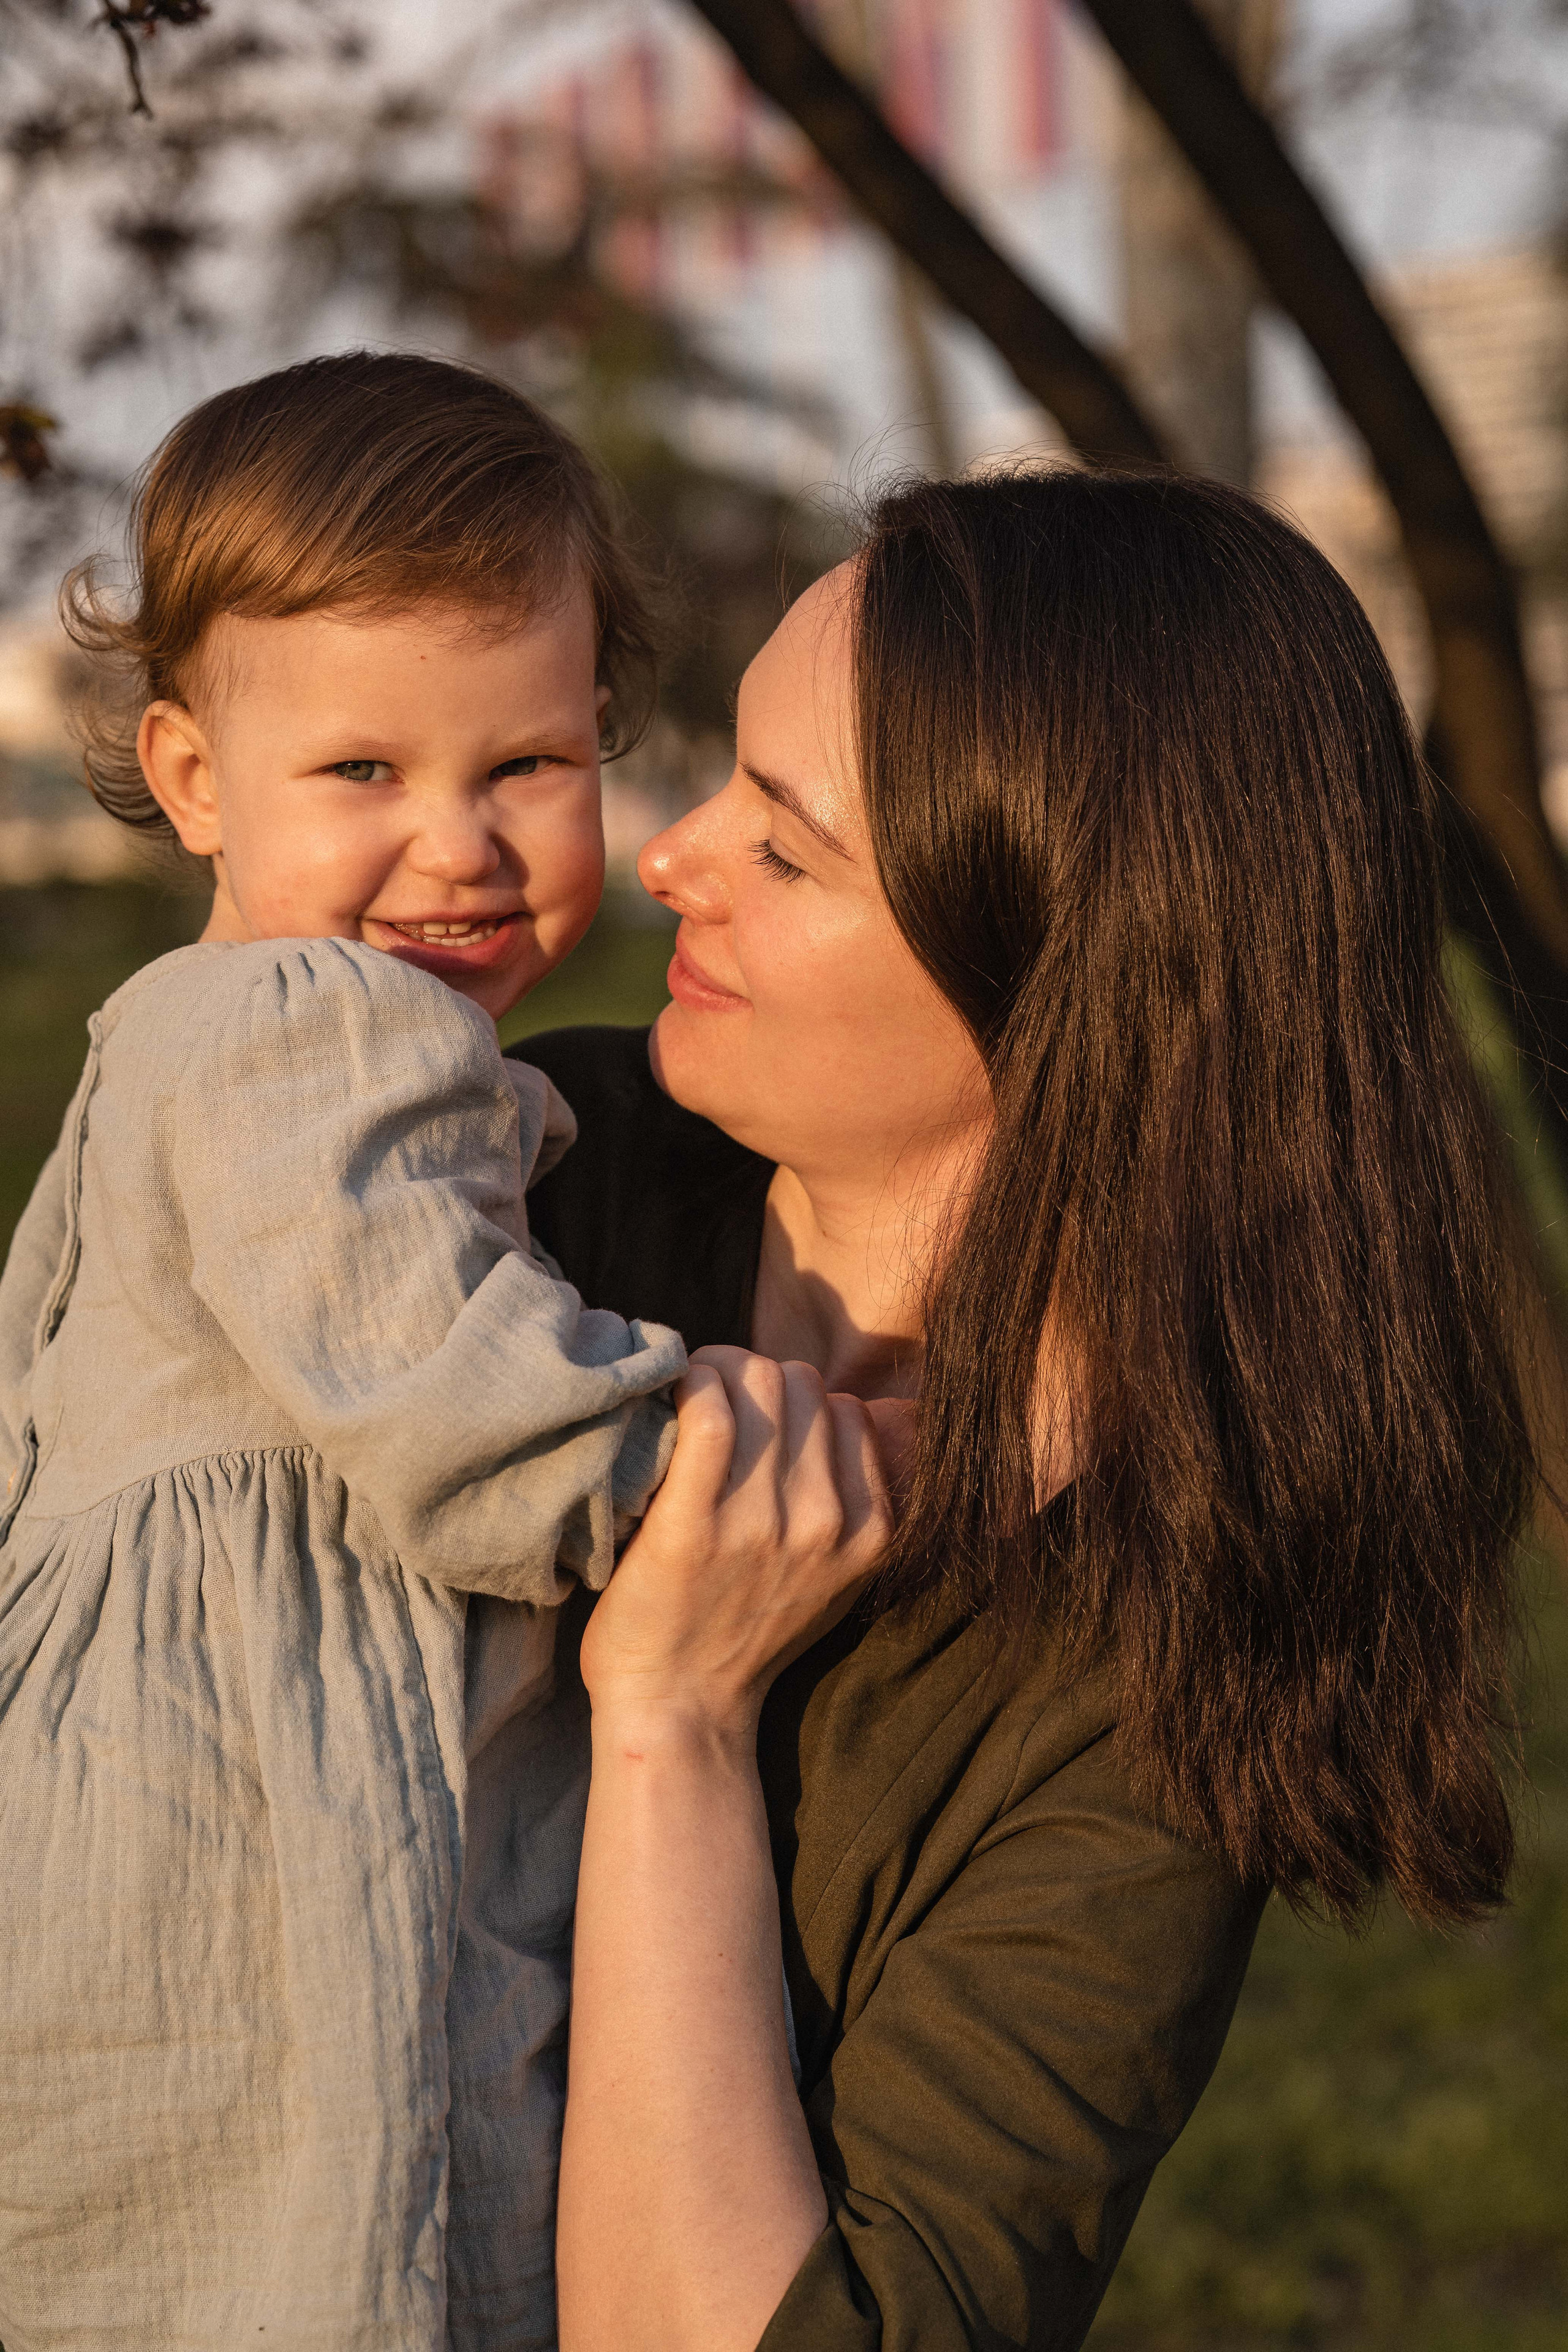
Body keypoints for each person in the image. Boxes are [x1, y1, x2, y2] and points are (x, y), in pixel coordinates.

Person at [535, 471, 1537, 2351]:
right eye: (724, 779)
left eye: (788, 842)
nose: (668, 855)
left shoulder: (1167, 1660)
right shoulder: (525, 1180)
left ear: (1067, 981)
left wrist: (674, 1722)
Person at [0, 352, 692, 2350]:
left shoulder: (188, 1047)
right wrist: (760, 1438)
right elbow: (499, 1443)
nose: (460, 844)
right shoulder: (306, 1028)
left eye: (527, 767)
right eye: (364, 774)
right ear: (197, 779)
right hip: (239, 1879)